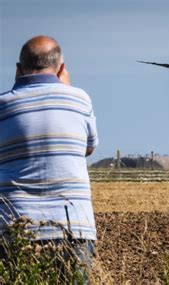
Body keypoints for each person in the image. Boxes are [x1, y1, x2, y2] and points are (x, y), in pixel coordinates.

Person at [0, 35, 98, 281]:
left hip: (16, 227)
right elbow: (88, 148)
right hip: (73, 227)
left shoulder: (2, 106)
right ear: (61, 68)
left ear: (18, 70)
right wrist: (65, 89)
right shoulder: (80, 99)